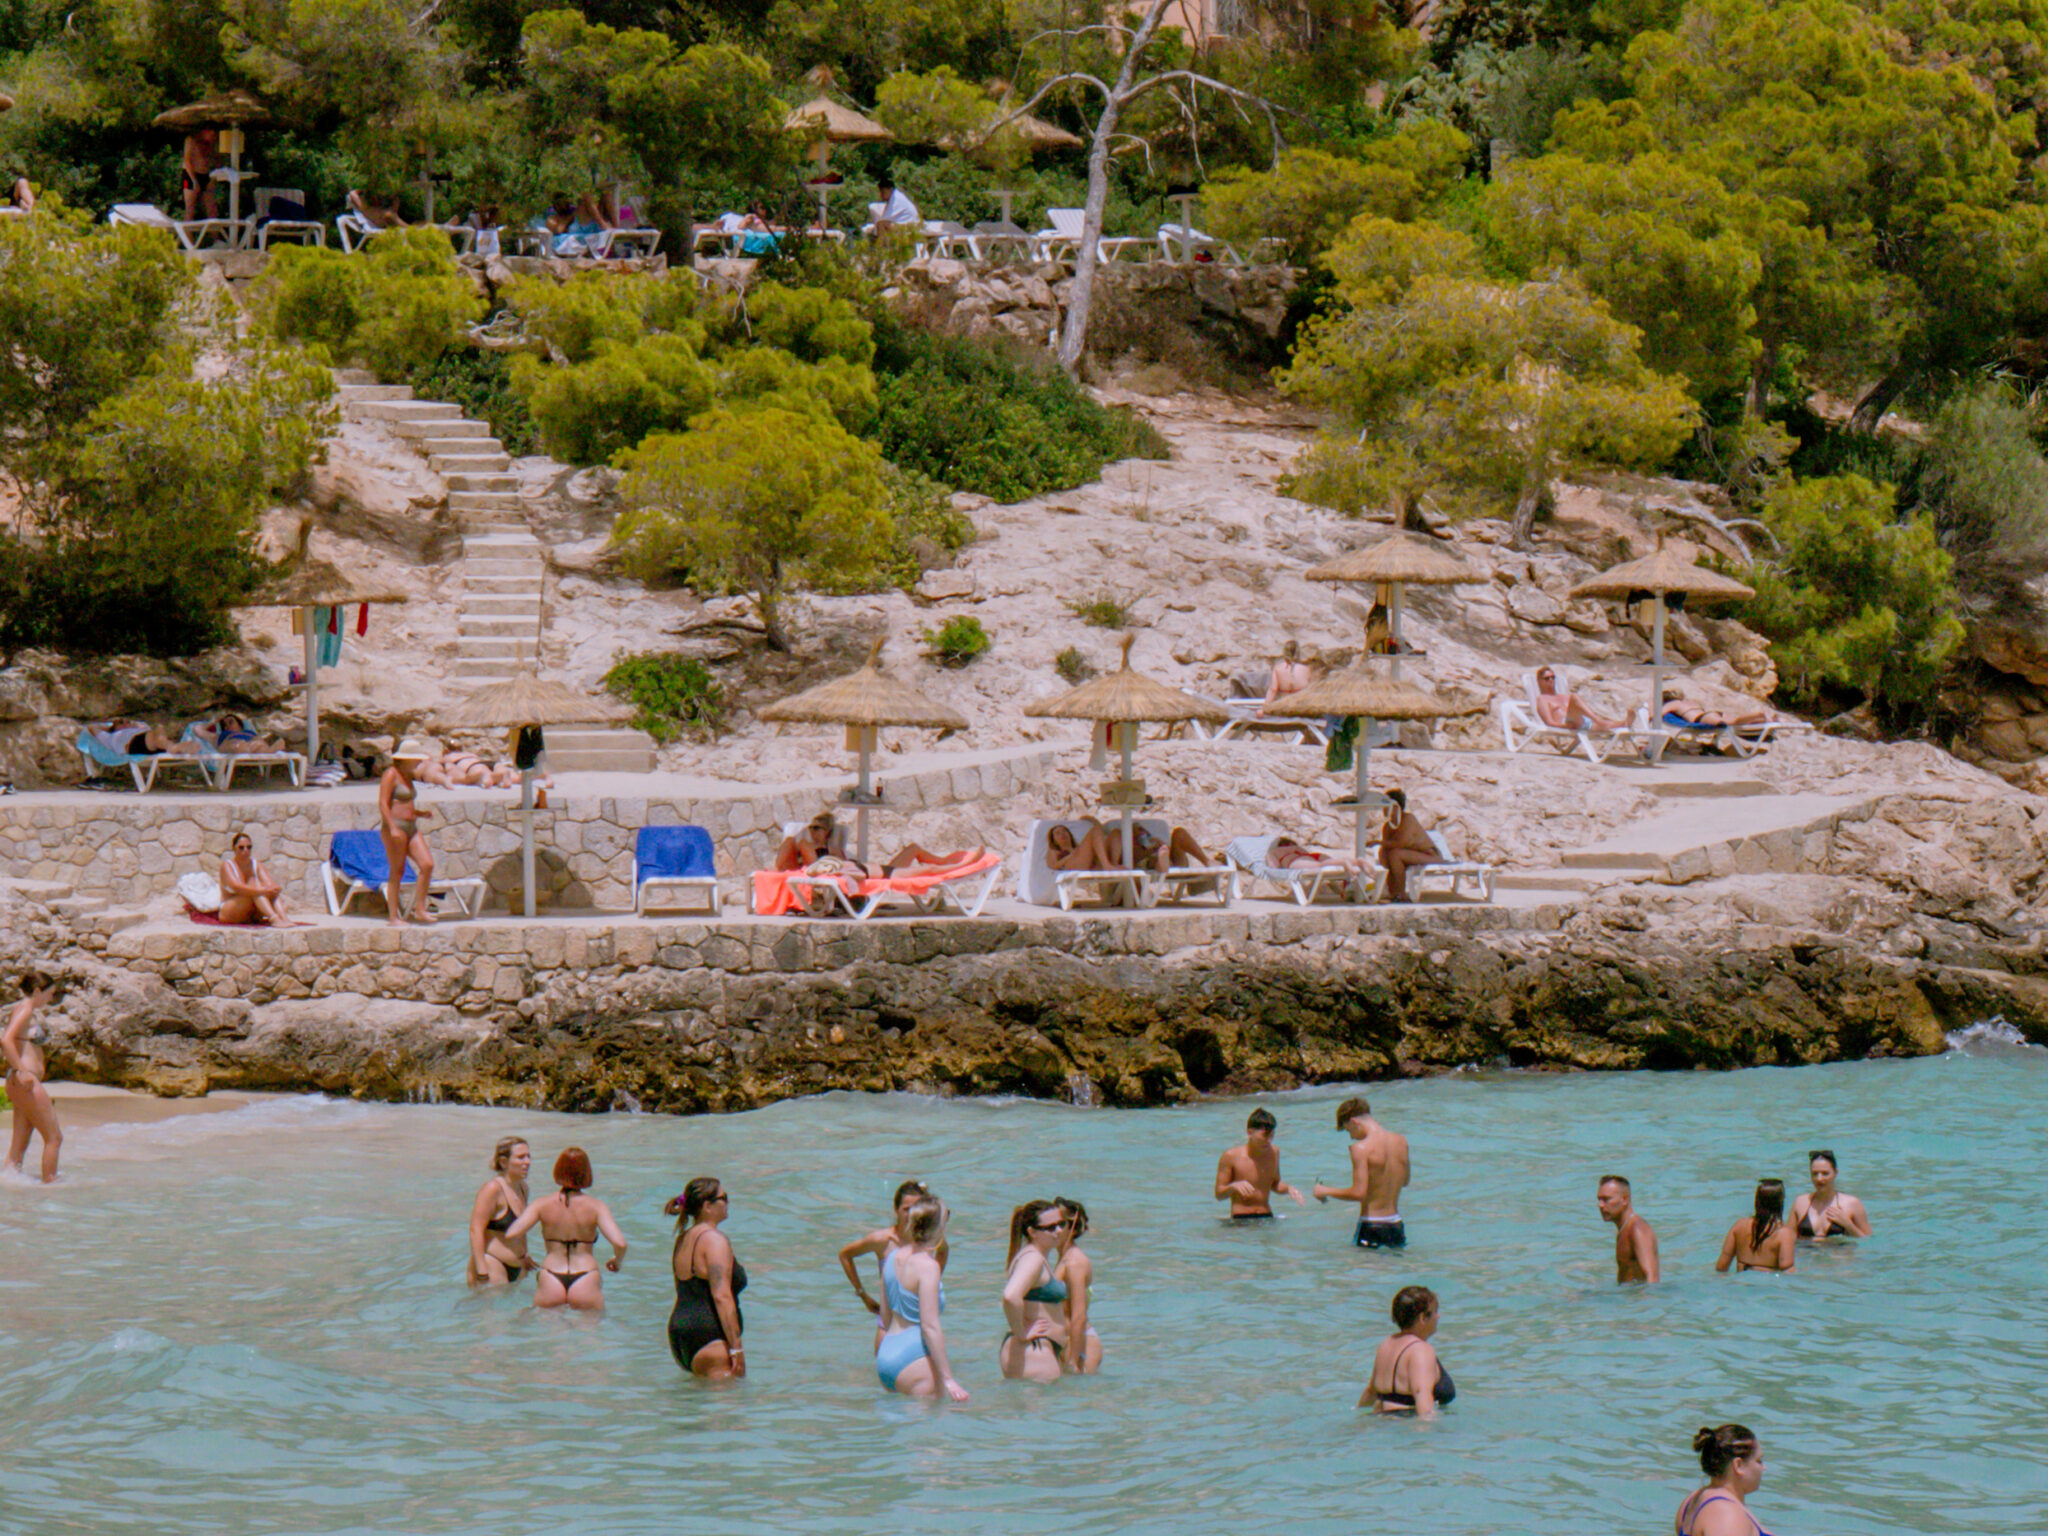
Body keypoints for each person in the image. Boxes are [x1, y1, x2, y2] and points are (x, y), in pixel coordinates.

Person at [501, 1147, 627, 1310]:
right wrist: (617, 1261)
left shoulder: (541, 1204)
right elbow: (621, 1244)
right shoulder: (597, 1206)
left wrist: (522, 1256)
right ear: (586, 1173)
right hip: (586, 1276)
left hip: (551, 1276)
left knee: (548, 1335)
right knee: (592, 1334)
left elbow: (511, 1234)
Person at [876, 1198, 968, 1401]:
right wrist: (948, 1379)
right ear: (939, 1228)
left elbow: (885, 1315)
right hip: (914, 1357)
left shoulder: (892, 1257)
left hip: (886, 1354)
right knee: (927, 1430)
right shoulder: (928, 1266)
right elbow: (930, 1326)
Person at [665, 1177, 746, 1381]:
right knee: (724, 1409)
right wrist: (736, 1350)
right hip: (709, 1336)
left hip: (680, 1335)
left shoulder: (683, 1239)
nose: (728, 1202)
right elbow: (722, 1296)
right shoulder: (714, 1240)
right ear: (707, 1206)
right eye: (723, 1198)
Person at [838, 1179, 949, 1318]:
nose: (911, 1215)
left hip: (919, 1316)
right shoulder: (883, 1240)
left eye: (916, 1209)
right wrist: (863, 1294)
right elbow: (845, 1255)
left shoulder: (929, 1239)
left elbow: (943, 1250)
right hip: (888, 1320)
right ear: (896, 1209)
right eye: (906, 1209)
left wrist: (932, 1282)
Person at [1314, 1094, 1411, 1248]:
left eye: (1348, 1130)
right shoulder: (1401, 1141)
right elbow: (1405, 1181)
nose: (1352, 1137)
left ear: (1354, 1122)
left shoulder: (1361, 1148)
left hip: (1371, 1225)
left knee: (1362, 1271)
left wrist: (1325, 1190)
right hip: (1396, 1225)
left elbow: (1358, 1193)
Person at [776, 810, 982, 881]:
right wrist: (800, 840)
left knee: (913, 849)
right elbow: (796, 859)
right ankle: (959, 866)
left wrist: (833, 852)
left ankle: (948, 862)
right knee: (922, 871)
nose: (814, 831)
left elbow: (843, 864)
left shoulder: (836, 850)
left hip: (862, 868)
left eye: (818, 828)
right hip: (860, 871)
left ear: (828, 831)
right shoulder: (805, 845)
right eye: (812, 827)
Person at [999, 1199, 1070, 1382]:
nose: (1059, 1231)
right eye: (1050, 1227)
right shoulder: (1033, 1259)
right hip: (1034, 1349)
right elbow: (1010, 1296)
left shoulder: (1032, 1256)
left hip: (1033, 1349)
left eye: (1061, 1224)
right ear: (1032, 1232)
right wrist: (1021, 1332)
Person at [1358, 1285, 1454, 1417]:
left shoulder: (1386, 1344)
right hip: (1405, 1425)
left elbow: (1371, 1392)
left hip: (1378, 1419)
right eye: (1435, 1312)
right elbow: (1421, 1393)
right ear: (1423, 1318)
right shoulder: (1421, 1350)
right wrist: (1428, 1430)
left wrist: (1358, 1417)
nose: (1438, 1316)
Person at [3, 972, 62, 1184]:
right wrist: (21, 1070)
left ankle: (10, 1187)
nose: (51, 999)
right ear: (37, 991)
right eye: (50, 994)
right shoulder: (26, 1009)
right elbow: (6, 1040)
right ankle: (51, 1188)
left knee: (19, 1144)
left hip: (19, 1083)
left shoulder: (23, 1008)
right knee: (54, 1138)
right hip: (25, 1082)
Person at [1676, 1424, 1774, 1536]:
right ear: (1738, 1465)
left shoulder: (1692, 1500)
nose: (1763, 1467)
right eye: (1759, 1461)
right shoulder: (1728, 1513)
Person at [378, 741, 436, 927]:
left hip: (411, 826)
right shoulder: (391, 774)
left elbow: (404, 804)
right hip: (396, 827)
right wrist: (392, 828)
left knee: (427, 864)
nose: (419, 762)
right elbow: (383, 803)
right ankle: (393, 917)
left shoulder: (408, 776)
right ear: (406, 759)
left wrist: (420, 813)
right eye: (416, 759)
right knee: (397, 871)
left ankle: (419, 909)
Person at [1215, 1106, 1306, 1219]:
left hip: (1267, 1216)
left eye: (1272, 1136)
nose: (1269, 1141)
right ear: (1250, 1133)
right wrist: (1233, 1187)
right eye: (1265, 1136)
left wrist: (1289, 1189)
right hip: (1241, 1219)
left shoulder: (1274, 1152)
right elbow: (1219, 1194)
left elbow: (1275, 1184)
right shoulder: (1231, 1156)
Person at [467, 1136, 532, 1286]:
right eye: (521, 1157)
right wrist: (482, 1272)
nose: (527, 1162)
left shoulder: (523, 1188)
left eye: (529, 1157)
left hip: (518, 1266)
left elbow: (520, 1228)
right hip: (492, 1264)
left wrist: (525, 1254)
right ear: (504, 1162)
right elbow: (475, 1230)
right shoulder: (492, 1189)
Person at [1053, 1196, 1102, 1375]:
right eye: (1050, 1225)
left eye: (1060, 1224)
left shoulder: (1075, 1262)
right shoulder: (1063, 1258)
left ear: (1072, 1228)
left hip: (1079, 1343)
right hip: (1066, 1340)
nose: (1054, 1230)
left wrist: (1075, 1358)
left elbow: (1079, 1316)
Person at [218, 831, 309, 927]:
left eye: (249, 847)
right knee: (257, 890)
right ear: (234, 849)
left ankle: (284, 918)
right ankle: (275, 919)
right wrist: (262, 890)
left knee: (269, 891)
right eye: (241, 848)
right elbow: (237, 887)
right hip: (230, 911)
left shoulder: (255, 864)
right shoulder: (227, 865)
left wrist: (272, 889)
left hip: (250, 911)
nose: (245, 850)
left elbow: (271, 884)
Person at [1715, 1179, 1796, 1273]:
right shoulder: (1784, 1234)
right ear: (1780, 1203)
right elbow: (1788, 1272)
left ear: (1757, 1201)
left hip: (1740, 1283)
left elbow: (1721, 1267)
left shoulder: (1739, 1225)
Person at [1790, 1149, 1872, 1239]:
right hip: (1806, 1252)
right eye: (1815, 1174)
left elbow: (1868, 1241)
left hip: (1838, 1252)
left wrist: (1848, 1225)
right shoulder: (1800, 1203)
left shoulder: (1852, 1204)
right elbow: (1786, 1238)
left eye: (1825, 1173)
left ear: (1835, 1173)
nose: (1819, 1179)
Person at [1377, 788, 1438, 904]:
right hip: (1406, 856)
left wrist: (1379, 843)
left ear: (1395, 807)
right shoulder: (1387, 826)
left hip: (1428, 855)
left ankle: (1401, 894)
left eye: (1385, 805)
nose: (1382, 809)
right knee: (1387, 854)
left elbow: (1402, 843)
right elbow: (1387, 847)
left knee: (1395, 854)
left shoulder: (1408, 819)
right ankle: (1393, 893)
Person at [1596, 1174, 1661, 1283]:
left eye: (1606, 1199)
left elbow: (1652, 1278)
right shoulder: (1624, 1230)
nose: (1600, 1205)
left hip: (1640, 1298)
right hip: (1629, 1296)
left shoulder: (1637, 1230)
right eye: (1599, 1199)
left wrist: (1648, 1300)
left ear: (1625, 1199)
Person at [1534, 665, 1624, 732]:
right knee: (1575, 697)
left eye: (1553, 677)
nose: (1551, 680)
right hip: (1566, 722)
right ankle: (1598, 720)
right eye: (1547, 678)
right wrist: (1565, 726)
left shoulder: (1565, 696)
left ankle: (1623, 724)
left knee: (1605, 726)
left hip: (1581, 721)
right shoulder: (1542, 700)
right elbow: (1549, 722)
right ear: (1540, 681)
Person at [1261, 639, 1318, 710]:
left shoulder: (1278, 669)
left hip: (1283, 706)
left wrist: (1264, 708)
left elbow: (1273, 690)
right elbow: (1312, 691)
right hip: (1300, 706)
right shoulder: (1306, 670)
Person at [182, 128, 219, 221]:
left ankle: (214, 234)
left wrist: (212, 178)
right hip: (189, 175)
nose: (213, 137)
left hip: (205, 175)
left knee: (212, 209)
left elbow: (215, 160)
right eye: (212, 134)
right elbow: (187, 160)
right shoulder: (191, 140)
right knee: (190, 208)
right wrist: (194, 181)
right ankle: (187, 234)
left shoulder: (210, 143)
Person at [90, 720, 172, 757]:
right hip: (134, 743)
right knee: (159, 728)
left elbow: (144, 725)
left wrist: (134, 724)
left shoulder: (138, 728)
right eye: (121, 722)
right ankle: (170, 746)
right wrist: (109, 727)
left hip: (150, 742)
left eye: (128, 722)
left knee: (159, 731)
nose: (126, 724)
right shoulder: (110, 737)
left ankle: (172, 746)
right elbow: (92, 727)